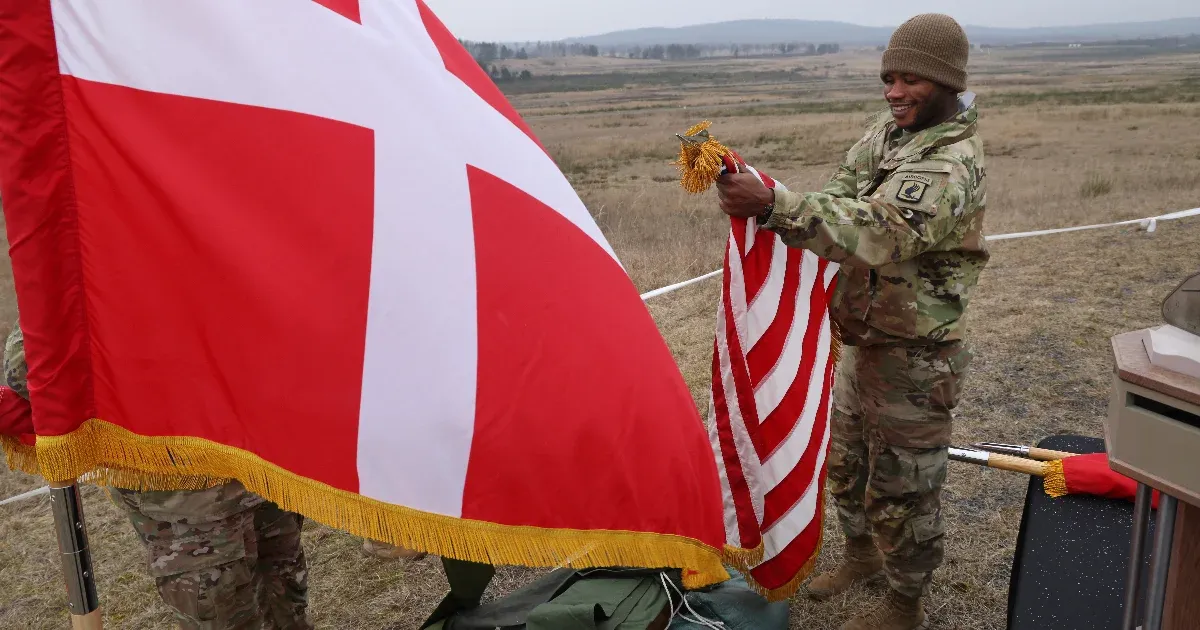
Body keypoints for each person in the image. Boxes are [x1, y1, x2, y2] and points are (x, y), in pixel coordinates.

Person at [715, 13, 987, 630]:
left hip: (916, 357)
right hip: (863, 339)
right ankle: (861, 557)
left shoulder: (951, 163)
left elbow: (877, 232)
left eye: (910, 78)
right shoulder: (885, 137)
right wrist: (768, 198)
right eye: (888, 77)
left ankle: (904, 605)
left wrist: (778, 205)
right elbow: (839, 198)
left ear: (945, 80)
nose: (894, 91)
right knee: (846, 465)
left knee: (904, 488)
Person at [4, 317, 314, 630]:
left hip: (261, 475)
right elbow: (33, 372)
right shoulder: (99, 281)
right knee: (231, 615)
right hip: (193, 509)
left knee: (285, 606)